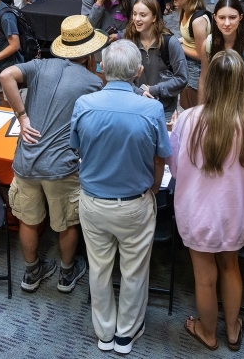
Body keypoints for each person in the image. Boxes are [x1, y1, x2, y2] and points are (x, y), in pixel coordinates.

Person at [170, 49, 244, 351]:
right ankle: (232, 331)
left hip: (196, 215)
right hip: (234, 215)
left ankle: (207, 333)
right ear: (241, 84)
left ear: (210, 81)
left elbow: (175, 169)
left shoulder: (188, 119)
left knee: (204, 278)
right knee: (231, 267)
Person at [69, 39, 171, 355]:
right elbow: (161, 158)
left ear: (101, 67)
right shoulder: (152, 109)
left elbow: (77, 148)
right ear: (139, 72)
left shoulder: (84, 105)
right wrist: (152, 190)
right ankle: (125, 335)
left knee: (98, 269)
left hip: (93, 202)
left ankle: (104, 333)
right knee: (134, 270)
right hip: (134, 204)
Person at [0, 15, 106, 294]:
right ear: (90, 50)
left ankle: (32, 272)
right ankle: (67, 274)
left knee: (28, 220)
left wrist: (22, 116)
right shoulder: (93, 83)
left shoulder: (39, 65)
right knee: (66, 223)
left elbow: (5, 75)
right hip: (62, 167)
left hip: (26, 161)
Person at [125, 0, 188, 120]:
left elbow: (182, 78)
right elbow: (121, 79)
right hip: (136, 109)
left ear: (154, 17)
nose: (137, 19)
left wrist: (154, 89)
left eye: (143, 15)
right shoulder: (128, 42)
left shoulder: (170, 43)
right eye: (135, 14)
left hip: (164, 111)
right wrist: (140, 92)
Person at [174, 0, 210, 109]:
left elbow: (201, 55)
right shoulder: (185, 11)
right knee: (184, 104)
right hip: (187, 64)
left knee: (194, 108)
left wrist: (178, 46)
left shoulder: (198, 21)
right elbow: (190, 37)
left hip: (197, 68)